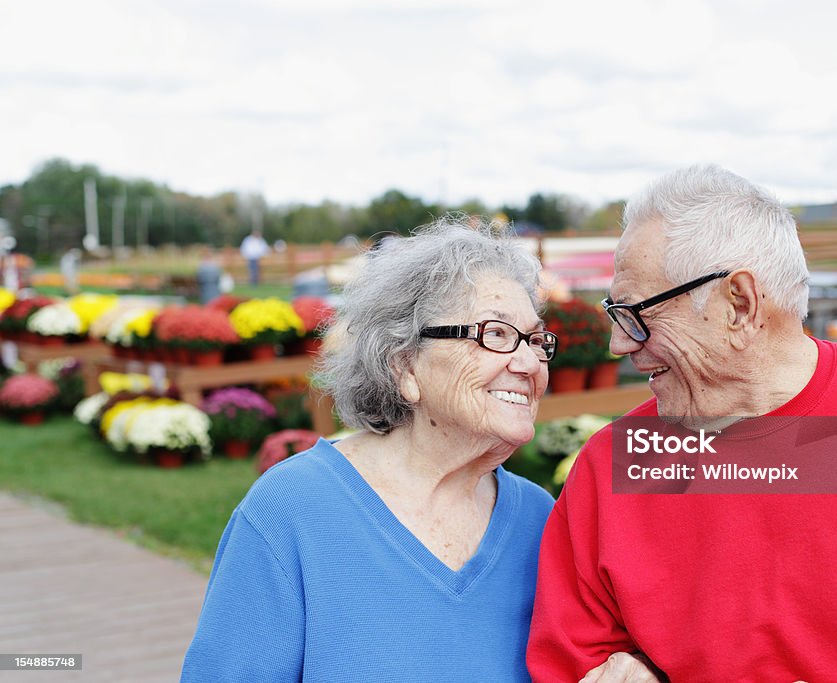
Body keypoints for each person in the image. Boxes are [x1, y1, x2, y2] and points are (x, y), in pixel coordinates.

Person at [527, 165, 837, 681]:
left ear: (738, 304)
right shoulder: (615, 465)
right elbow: (573, 662)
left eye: (636, 314)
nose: (619, 344)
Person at [182, 217, 637, 681]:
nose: (528, 363)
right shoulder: (291, 511)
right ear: (404, 366)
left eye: (535, 340)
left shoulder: (541, 520)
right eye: (495, 335)